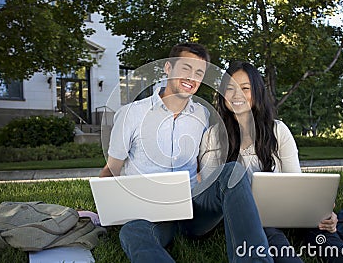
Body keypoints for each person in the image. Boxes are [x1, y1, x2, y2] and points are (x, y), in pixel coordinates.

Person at [100, 44, 273, 262]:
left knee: (232, 172)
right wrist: (103, 211)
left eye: (199, 73)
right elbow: (112, 169)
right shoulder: (131, 115)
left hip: (193, 211)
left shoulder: (201, 115)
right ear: (168, 68)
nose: (192, 77)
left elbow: (203, 168)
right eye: (186, 69)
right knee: (132, 232)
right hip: (149, 216)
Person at [198, 60, 343, 263]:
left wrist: (322, 212)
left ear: (257, 92)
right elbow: (210, 192)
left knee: (320, 229)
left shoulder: (278, 130)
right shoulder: (213, 135)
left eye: (245, 88)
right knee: (268, 232)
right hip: (241, 217)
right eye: (230, 88)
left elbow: (296, 182)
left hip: (284, 211)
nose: (236, 95)